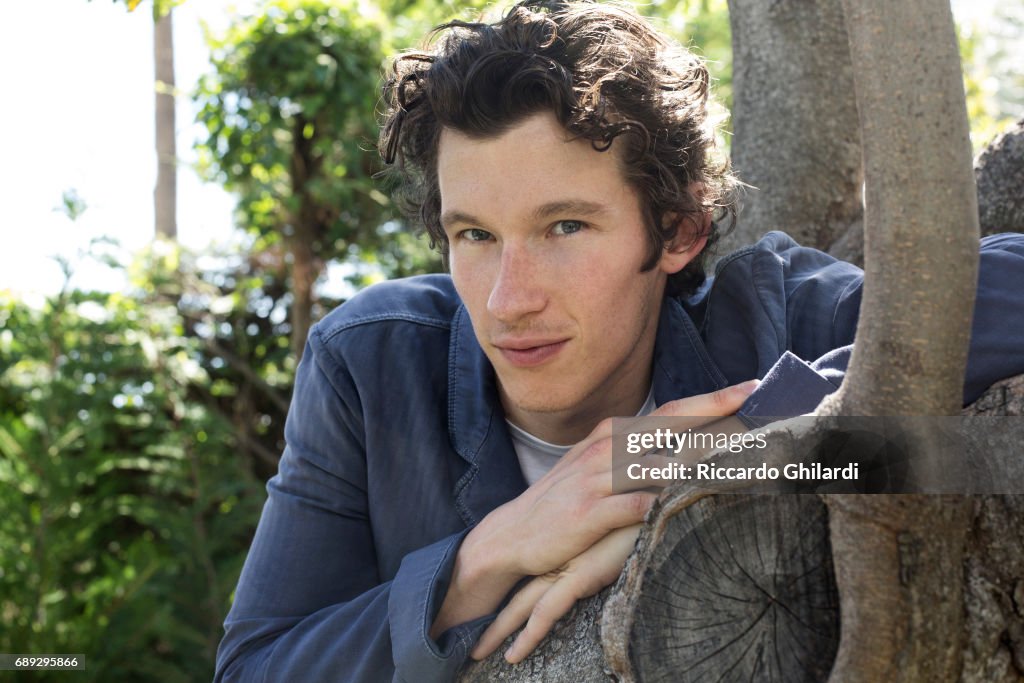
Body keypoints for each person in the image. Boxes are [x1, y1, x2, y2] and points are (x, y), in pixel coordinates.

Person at [214, 1, 1024, 681]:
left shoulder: (767, 314)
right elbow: (255, 664)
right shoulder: (369, 363)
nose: (508, 298)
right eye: (475, 235)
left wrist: (725, 453)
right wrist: (480, 561)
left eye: (564, 226)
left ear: (677, 230)